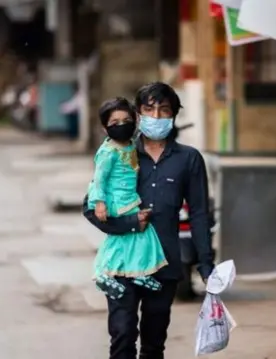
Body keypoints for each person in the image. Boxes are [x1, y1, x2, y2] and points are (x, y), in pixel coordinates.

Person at [82, 82, 214, 359]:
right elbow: (90, 207)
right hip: (122, 262)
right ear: (138, 114)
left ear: (174, 115)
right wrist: (129, 224)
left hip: (164, 263)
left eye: (164, 110)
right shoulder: (120, 152)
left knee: (154, 342)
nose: (156, 115)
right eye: (149, 109)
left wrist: (205, 263)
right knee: (123, 334)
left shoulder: (188, 159)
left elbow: (200, 213)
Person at [88, 97, 168, 300]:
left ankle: (139, 272)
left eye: (126, 120)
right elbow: (99, 179)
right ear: (105, 128)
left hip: (130, 199)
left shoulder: (131, 145)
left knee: (141, 237)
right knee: (120, 239)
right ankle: (103, 273)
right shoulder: (108, 152)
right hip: (117, 202)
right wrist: (99, 203)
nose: (122, 126)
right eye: (114, 123)